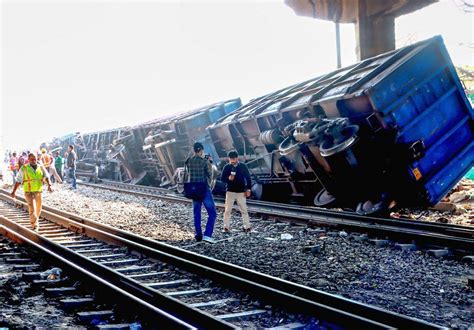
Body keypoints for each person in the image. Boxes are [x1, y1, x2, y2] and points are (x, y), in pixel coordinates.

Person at [184, 142, 217, 243]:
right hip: (204, 189)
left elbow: (187, 174)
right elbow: (210, 174)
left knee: (196, 213)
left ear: (194, 150)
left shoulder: (188, 161)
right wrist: (210, 162)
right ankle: (207, 235)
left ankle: (198, 235)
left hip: (194, 190)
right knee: (212, 213)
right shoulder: (204, 161)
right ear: (201, 150)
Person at [11, 153, 53, 231]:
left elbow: (46, 176)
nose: (34, 161)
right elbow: (18, 180)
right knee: (32, 208)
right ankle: (35, 225)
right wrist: (14, 191)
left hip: (38, 191)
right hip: (28, 191)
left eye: (35, 159)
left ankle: (35, 221)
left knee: (38, 208)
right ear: (28, 159)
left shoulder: (41, 167)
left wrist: (49, 185)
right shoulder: (24, 168)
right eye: (32, 159)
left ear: (37, 158)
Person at [221, 150, 252, 233]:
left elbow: (248, 178)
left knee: (244, 209)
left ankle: (247, 226)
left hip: (241, 191)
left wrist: (248, 189)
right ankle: (226, 227)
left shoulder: (243, 166)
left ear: (237, 158)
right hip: (230, 191)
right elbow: (222, 178)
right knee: (228, 210)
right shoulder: (227, 167)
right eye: (231, 159)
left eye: (234, 159)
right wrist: (228, 178)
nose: (232, 161)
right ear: (229, 159)